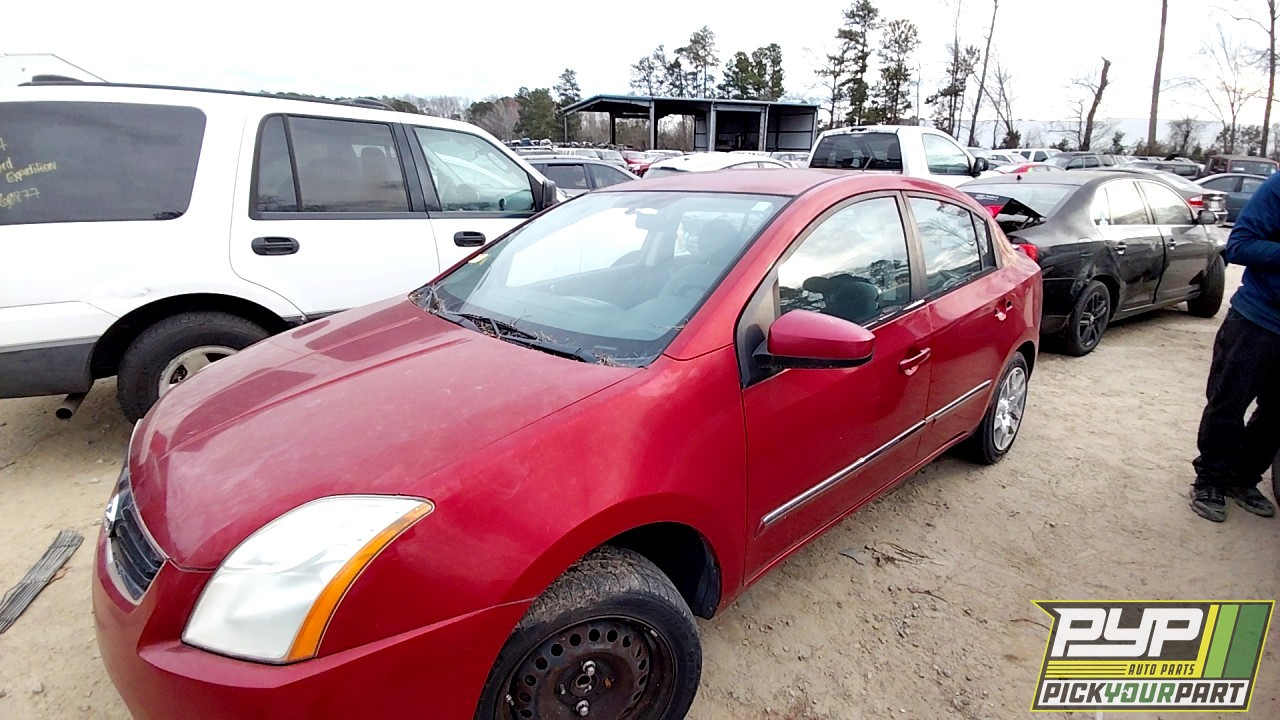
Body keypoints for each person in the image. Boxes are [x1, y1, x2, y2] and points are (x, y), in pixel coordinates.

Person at [1189, 171, 1280, 522]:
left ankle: (1243, 479)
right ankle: (1209, 480)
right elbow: (1239, 244)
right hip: (1258, 319)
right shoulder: (1277, 190)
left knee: (1275, 415)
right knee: (1228, 402)